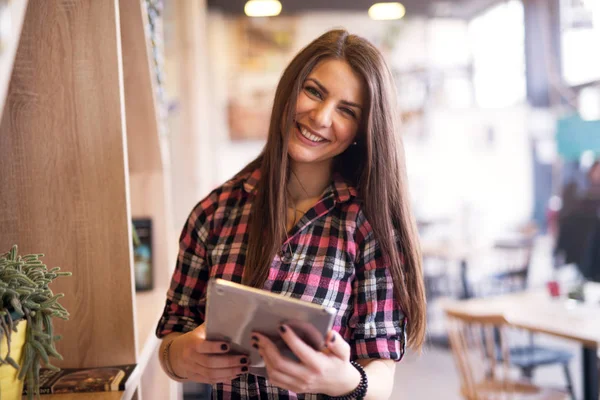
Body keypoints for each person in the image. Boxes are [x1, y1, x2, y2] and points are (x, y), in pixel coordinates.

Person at [156, 29, 426, 399]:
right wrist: (182, 356)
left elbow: (381, 373)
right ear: (289, 88)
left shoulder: (369, 228)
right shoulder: (213, 213)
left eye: (346, 110)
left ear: (362, 130)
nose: (321, 116)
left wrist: (346, 380)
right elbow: (172, 339)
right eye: (314, 91)